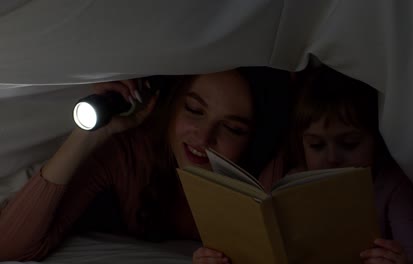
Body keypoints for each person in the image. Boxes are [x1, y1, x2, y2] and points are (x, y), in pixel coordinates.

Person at [0, 68, 291, 261]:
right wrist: (87, 135)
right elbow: (9, 247)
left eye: (232, 128)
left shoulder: (265, 176)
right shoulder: (131, 153)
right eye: (194, 110)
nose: (203, 137)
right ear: (172, 106)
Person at [275, 64, 413, 264]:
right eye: (317, 145)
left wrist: (400, 260)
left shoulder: (393, 185)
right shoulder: (292, 185)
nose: (332, 158)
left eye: (349, 144)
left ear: (377, 140)